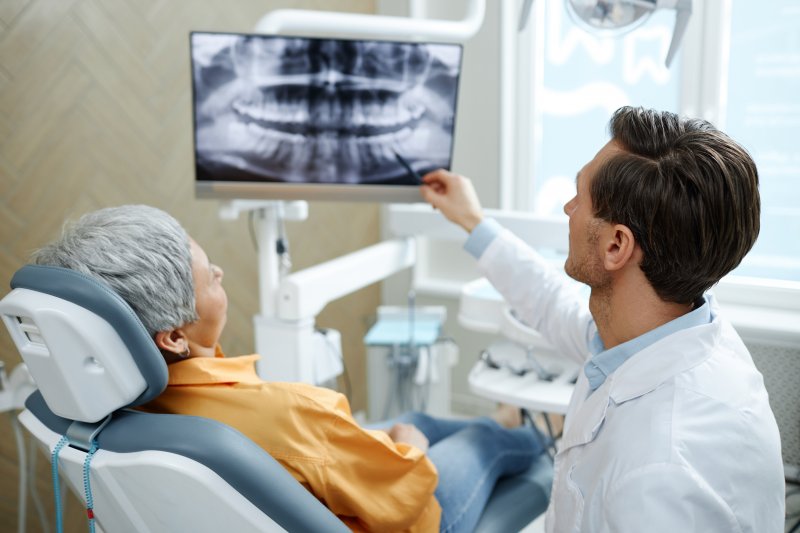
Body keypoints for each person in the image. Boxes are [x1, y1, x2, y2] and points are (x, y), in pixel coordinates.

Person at [30, 204, 547, 533]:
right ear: (174, 336)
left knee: (417, 416)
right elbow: (405, 491)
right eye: (206, 278)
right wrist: (410, 445)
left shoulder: (116, 408)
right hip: (411, 520)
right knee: (476, 440)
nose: (219, 272)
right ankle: (532, 437)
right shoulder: (288, 412)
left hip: (325, 475)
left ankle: (496, 424)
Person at [420, 106, 785, 532]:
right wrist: (472, 221)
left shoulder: (659, 474)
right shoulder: (671, 325)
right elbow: (554, 305)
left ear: (616, 246)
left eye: (580, 195)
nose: (568, 207)